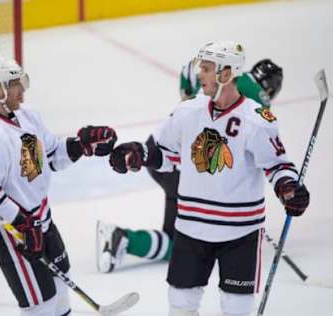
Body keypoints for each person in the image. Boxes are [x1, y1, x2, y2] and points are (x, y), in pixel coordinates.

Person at [107, 41, 309, 316]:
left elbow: (277, 165)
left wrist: (288, 187)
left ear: (226, 74)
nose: (199, 73)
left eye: (206, 68)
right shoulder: (187, 111)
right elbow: (165, 154)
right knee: (180, 305)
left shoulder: (256, 120)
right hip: (191, 229)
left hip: (240, 233)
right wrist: (138, 153)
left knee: (236, 308)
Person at [96, 57, 284, 273]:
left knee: (176, 242)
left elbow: (188, 75)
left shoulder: (227, 77)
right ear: (269, 89)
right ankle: (124, 238)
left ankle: (121, 238)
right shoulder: (258, 103)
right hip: (182, 165)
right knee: (195, 241)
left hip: (158, 153)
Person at [0, 58, 117, 316]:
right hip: (12, 229)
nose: (22, 90)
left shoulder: (27, 115)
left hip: (41, 219)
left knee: (59, 287)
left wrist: (82, 145)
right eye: (14, 84)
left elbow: (52, 155)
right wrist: (22, 224)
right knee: (41, 304)